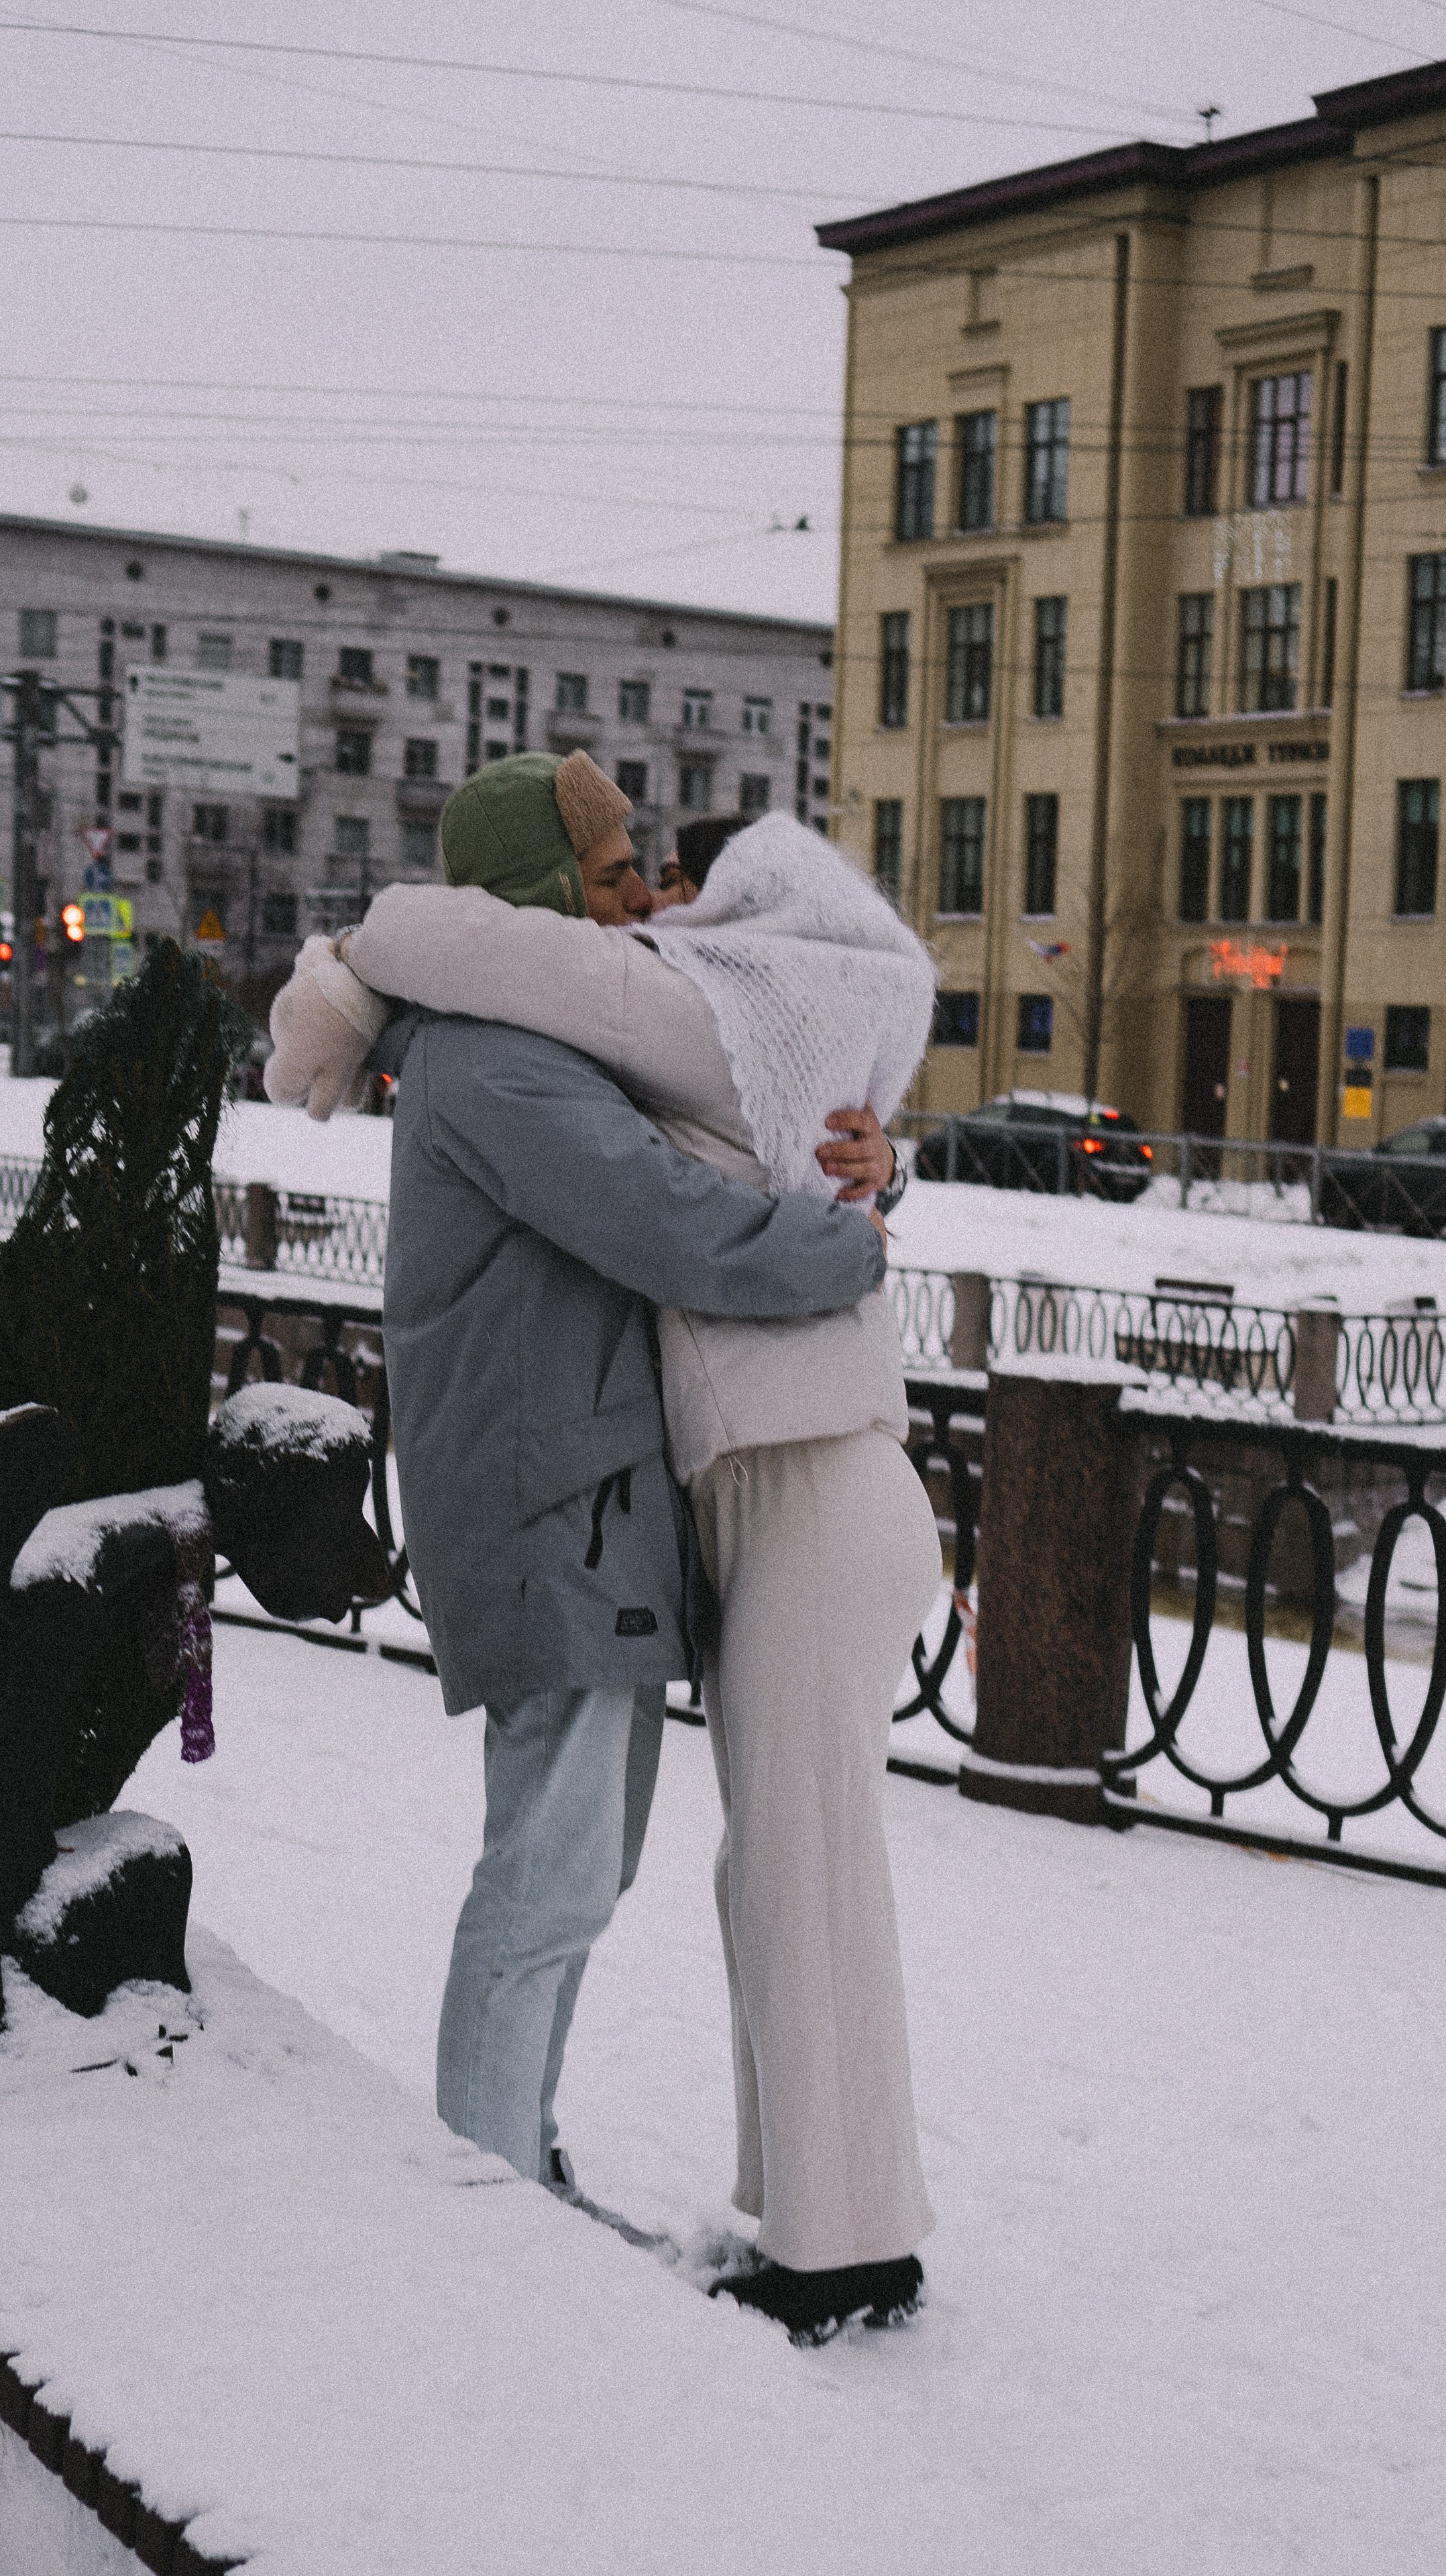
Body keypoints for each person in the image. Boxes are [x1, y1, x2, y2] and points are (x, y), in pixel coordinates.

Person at [275, 757, 942, 2345]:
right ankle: (489, 2183)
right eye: (619, 868)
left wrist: (880, 1167)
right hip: (552, 1507)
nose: (650, 899)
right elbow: (664, 1218)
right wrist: (856, 1236)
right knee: (564, 1875)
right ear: (537, 887)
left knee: (647, 1866)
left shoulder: (556, 1039)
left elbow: (757, 1134)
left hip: (633, 1506)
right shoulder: (503, 1062)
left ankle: (717, 2209)